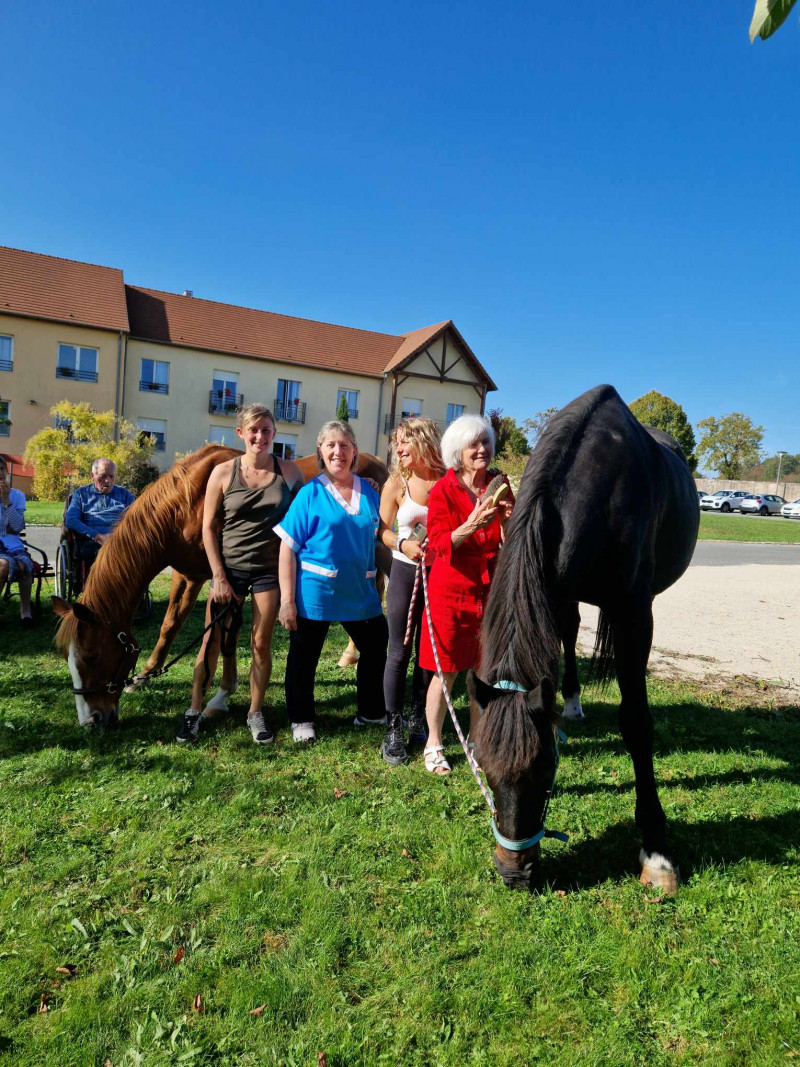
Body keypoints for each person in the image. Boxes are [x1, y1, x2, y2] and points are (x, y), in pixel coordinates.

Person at [176, 404, 304, 744]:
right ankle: (194, 711)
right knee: (210, 641)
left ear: (274, 434)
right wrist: (217, 576)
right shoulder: (222, 472)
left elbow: (307, 512)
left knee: (261, 644)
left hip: (268, 571)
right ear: (241, 434)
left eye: (266, 430)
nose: (260, 436)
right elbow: (207, 528)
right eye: (254, 430)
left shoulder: (290, 472)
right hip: (229, 570)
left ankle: (255, 712)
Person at [276, 420, 388, 742]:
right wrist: (287, 601)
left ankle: (370, 712)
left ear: (354, 451)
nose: (337, 451)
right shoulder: (310, 493)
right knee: (304, 657)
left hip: (359, 592)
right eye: (331, 445)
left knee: (376, 645)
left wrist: (399, 577)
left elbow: (377, 542)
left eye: (344, 445)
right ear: (321, 452)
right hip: (316, 593)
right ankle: (301, 720)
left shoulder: (369, 493)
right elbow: (287, 547)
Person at [418, 414, 514, 774]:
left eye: (486, 442)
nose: (482, 450)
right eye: (474, 444)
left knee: (483, 671)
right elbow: (441, 545)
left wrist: (504, 519)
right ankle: (434, 743)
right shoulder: (442, 490)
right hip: (450, 591)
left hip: (489, 590)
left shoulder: (498, 482)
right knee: (446, 673)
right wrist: (474, 521)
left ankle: (476, 742)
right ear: (457, 452)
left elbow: (509, 540)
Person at [377, 417, 445, 765]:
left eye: (404, 442)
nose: (398, 449)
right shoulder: (397, 483)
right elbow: (382, 531)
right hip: (406, 572)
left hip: (441, 575)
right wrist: (402, 544)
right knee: (399, 651)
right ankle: (393, 728)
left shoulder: (449, 481)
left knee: (429, 653)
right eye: (396, 444)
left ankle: (420, 713)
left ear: (422, 441)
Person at [64, 458, 135, 573]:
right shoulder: (81, 494)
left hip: (120, 539)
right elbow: (71, 520)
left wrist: (118, 536)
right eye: (103, 476)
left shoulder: (125, 494)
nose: (107, 481)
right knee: (95, 552)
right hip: (92, 540)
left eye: (111, 476)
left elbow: (135, 519)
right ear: (92, 475)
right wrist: (97, 536)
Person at [0, 456, 35, 628]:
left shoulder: (17, 495)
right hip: (2, 554)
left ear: (6, 472)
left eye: (1, 469)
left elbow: (17, 527)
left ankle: (25, 612)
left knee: (24, 565)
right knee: (3, 565)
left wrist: (6, 501)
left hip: (13, 546)